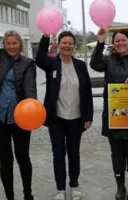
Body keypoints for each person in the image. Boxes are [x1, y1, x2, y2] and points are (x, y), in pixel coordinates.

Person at [0, 0, 37, 200]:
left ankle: (28, 193)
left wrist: (33, 109)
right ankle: (10, 196)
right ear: (4, 45)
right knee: (5, 160)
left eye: (15, 43)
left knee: (23, 158)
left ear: (20, 44)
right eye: (8, 43)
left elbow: (30, 89)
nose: (11, 46)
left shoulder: (28, 64)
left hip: (21, 119)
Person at [90, 29, 128, 200]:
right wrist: (100, 42)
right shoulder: (108, 61)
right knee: (117, 153)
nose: (120, 43)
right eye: (117, 41)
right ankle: (120, 187)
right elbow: (94, 64)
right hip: (114, 116)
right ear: (113, 43)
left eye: (123, 40)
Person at [35, 31, 94, 200]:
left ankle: (74, 185)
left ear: (73, 46)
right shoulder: (52, 64)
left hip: (76, 119)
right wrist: (45, 36)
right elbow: (39, 58)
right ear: (58, 45)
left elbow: (87, 92)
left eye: (70, 43)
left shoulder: (81, 66)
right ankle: (60, 188)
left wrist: (88, 116)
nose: (67, 46)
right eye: (64, 42)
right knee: (58, 154)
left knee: (74, 153)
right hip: (57, 119)